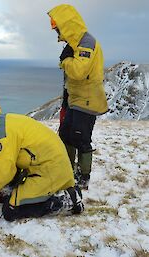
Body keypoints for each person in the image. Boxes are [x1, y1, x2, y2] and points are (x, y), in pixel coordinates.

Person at [47, 4, 108, 189]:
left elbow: (79, 71)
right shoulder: (75, 44)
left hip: (88, 100)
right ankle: (67, 171)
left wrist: (66, 60)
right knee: (65, 135)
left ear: (67, 25)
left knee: (80, 138)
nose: (57, 33)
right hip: (75, 99)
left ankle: (84, 177)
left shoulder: (86, 42)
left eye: (58, 28)